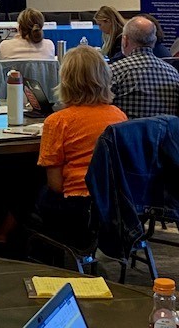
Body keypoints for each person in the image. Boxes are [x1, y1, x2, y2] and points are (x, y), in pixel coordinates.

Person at [35, 46, 127, 246]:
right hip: (114, 204)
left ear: (65, 80)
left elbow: (56, 185)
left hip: (75, 208)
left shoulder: (58, 121)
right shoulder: (118, 115)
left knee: (21, 187)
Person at [110, 16, 179, 119]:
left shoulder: (114, 71)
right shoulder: (173, 73)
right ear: (154, 40)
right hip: (164, 134)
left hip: (128, 134)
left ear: (125, 41)